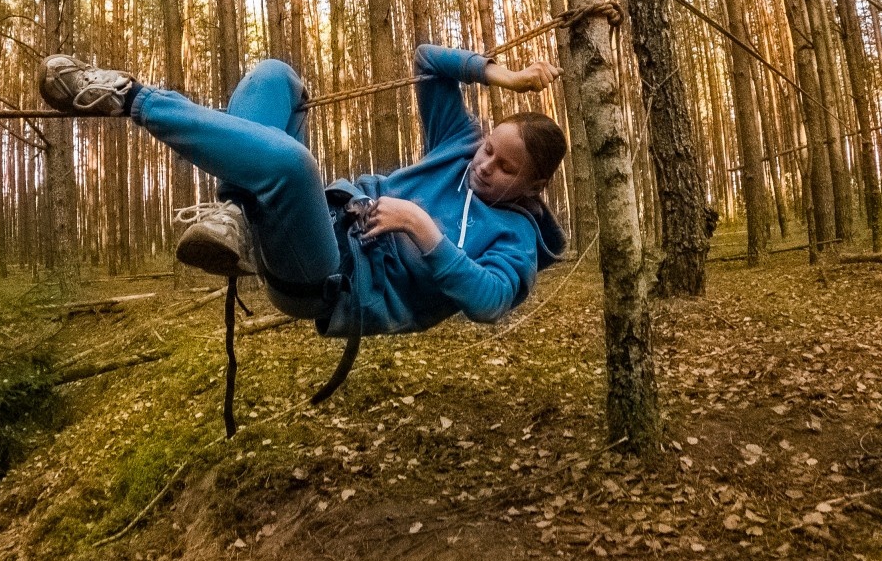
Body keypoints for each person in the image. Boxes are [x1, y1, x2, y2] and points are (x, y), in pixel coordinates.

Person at [38, 46, 568, 350]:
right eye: (489, 149)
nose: (484, 165)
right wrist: (507, 77)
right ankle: (235, 214)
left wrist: (419, 224)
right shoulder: (461, 144)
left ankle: (129, 97)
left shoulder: (516, 238)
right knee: (275, 76)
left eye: (506, 167)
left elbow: (489, 301)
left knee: (293, 167)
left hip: (333, 283)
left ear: (535, 186)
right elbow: (429, 60)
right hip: (326, 222)